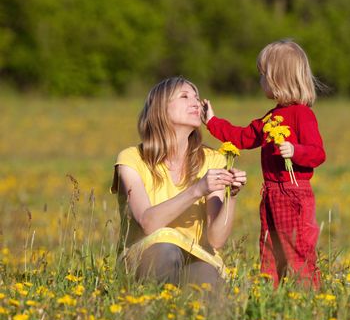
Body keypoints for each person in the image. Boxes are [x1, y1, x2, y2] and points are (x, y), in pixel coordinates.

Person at [203, 39, 325, 288]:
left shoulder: (303, 115)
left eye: (263, 75)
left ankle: (310, 295)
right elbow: (242, 137)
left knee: (297, 248)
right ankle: (268, 295)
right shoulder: (272, 117)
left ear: (279, 79)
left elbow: (318, 154)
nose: (260, 81)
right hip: (271, 193)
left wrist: (295, 151)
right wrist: (212, 121)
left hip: (293, 193)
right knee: (270, 247)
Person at [111, 76, 247, 288]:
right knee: (166, 248)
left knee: (207, 277)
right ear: (160, 109)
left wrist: (232, 196)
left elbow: (216, 240)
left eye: (196, 97)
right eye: (184, 96)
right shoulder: (131, 159)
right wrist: (197, 190)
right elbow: (148, 223)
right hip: (144, 259)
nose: (195, 102)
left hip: (196, 258)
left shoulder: (214, 160)